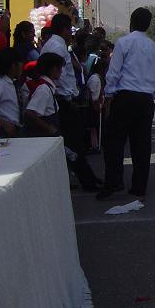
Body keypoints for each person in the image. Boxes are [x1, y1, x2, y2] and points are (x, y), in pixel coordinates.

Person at [98, 7, 155, 201]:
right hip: (145, 100)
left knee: (114, 142)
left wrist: (109, 94)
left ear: (131, 22)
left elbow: (114, 71)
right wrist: (152, 95)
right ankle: (139, 186)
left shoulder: (123, 43)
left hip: (125, 97)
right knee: (142, 145)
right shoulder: (153, 47)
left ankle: (113, 182)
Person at [41, 14, 101, 191]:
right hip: (62, 100)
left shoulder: (57, 45)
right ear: (64, 29)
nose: (71, 34)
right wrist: (68, 96)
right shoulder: (56, 46)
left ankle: (87, 178)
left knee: (74, 144)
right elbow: (58, 75)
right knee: (75, 144)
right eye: (70, 30)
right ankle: (88, 181)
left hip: (66, 98)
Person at [24, 53, 64, 137]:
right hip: (44, 136)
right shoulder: (43, 89)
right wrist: (48, 128)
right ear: (53, 68)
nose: (61, 71)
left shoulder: (47, 87)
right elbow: (29, 113)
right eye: (60, 67)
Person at [0, 48, 23, 137]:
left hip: (16, 129)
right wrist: (3, 123)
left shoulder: (14, 83)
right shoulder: (0, 84)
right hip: (4, 130)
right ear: (13, 66)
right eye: (20, 64)